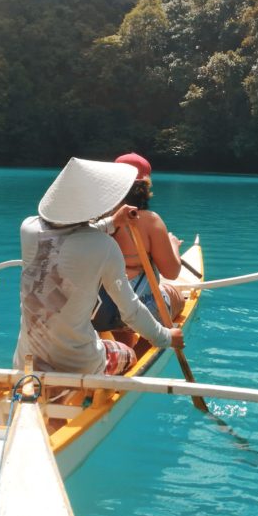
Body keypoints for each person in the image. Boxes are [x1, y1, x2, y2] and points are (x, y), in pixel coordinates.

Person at [13, 157, 184, 378]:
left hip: (26, 360)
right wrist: (167, 337)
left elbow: (70, 235)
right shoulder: (103, 246)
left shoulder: (28, 228)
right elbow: (130, 311)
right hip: (80, 362)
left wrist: (113, 222)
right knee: (128, 354)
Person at [91, 153, 184, 335]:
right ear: (145, 185)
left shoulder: (96, 219)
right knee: (176, 294)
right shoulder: (150, 221)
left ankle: (118, 334)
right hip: (137, 307)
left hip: (98, 305)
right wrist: (173, 245)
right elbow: (171, 273)